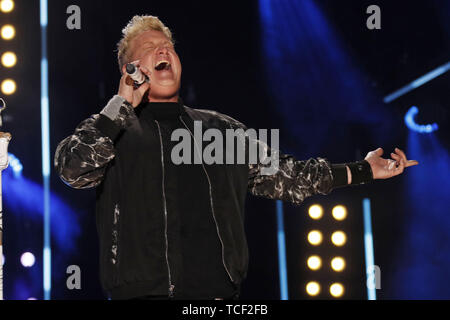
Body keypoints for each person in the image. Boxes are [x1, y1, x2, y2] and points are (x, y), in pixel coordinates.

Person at [54, 15, 418, 300]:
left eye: (168, 47)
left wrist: (363, 169)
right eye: (150, 48)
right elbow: (72, 170)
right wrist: (118, 109)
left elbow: (291, 177)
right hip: (137, 295)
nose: (163, 51)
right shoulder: (111, 129)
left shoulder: (221, 130)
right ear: (129, 70)